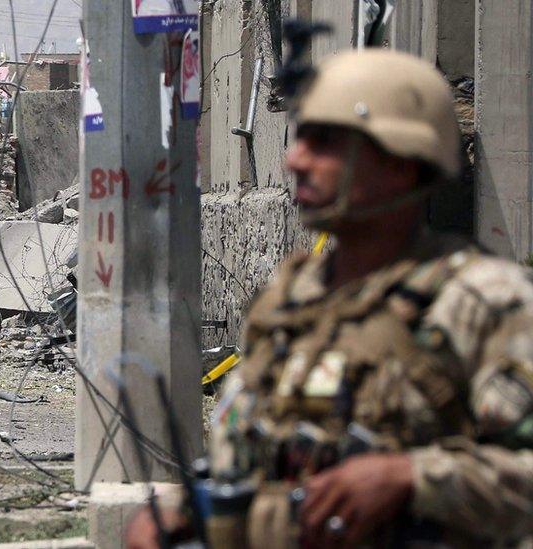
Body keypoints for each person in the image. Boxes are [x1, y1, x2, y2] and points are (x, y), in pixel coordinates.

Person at [127, 49, 533, 547]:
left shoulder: (484, 302)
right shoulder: (290, 300)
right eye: (300, 140)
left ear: (402, 163)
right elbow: (244, 459)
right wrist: (189, 514)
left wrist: (411, 478)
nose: (296, 160)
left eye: (325, 144)